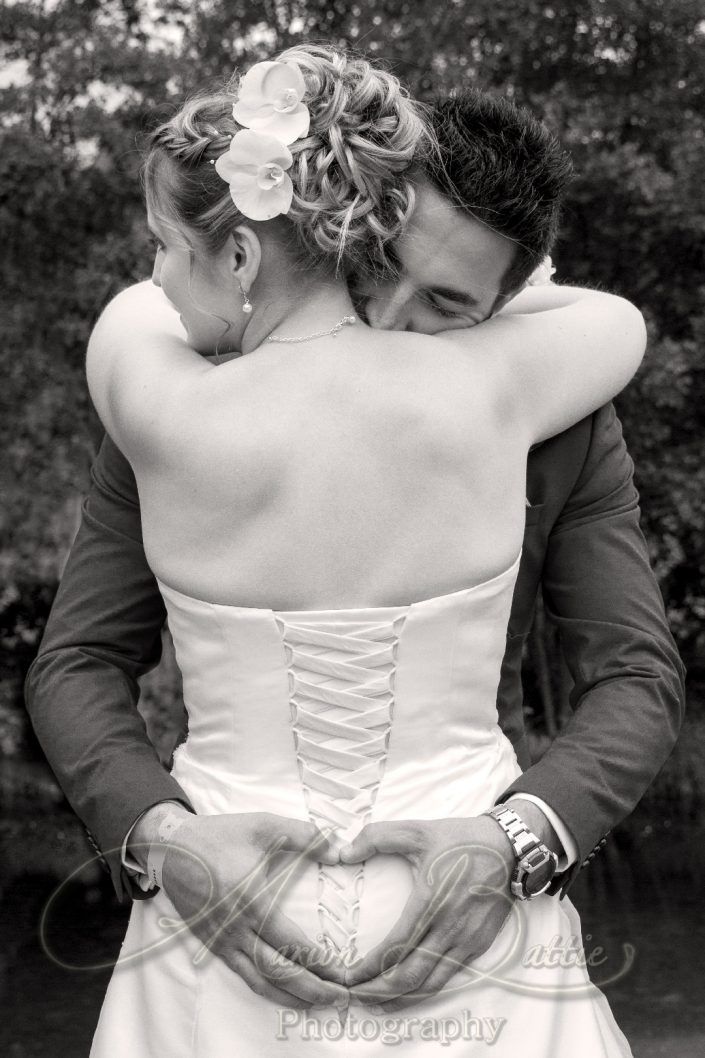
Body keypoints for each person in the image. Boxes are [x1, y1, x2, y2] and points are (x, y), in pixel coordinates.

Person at [23, 44, 675, 1055]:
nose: (392, 319)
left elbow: (635, 673)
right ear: (353, 226)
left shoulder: (565, 421)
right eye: (384, 268)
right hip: (216, 915)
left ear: (509, 303)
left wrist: (519, 838)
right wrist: (163, 835)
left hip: (478, 911)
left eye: (450, 307)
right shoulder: (529, 384)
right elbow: (75, 663)